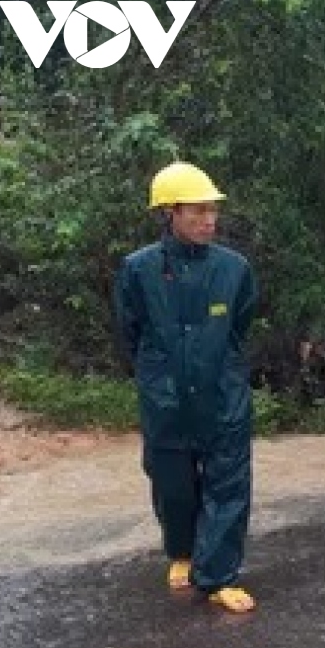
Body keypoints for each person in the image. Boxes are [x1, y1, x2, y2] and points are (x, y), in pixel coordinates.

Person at [115, 161, 258, 613]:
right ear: (170, 213)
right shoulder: (139, 269)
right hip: (166, 395)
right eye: (196, 211)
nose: (208, 220)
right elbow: (129, 329)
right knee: (172, 481)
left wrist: (223, 366)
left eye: (212, 210)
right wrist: (157, 373)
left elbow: (240, 323)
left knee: (228, 482)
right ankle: (181, 550)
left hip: (222, 392)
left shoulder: (234, 268)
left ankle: (218, 575)